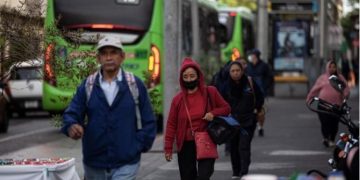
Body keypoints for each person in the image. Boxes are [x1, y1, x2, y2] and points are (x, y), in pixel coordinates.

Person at [61, 34, 157, 180]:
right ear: (98, 58)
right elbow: (72, 113)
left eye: (113, 53)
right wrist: (71, 126)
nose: (109, 57)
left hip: (126, 162)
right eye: (104, 53)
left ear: (122, 57)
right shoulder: (88, 85)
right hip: (94, 163)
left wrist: (137, 146)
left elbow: (149, 120)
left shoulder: (134, 85)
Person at [164, 57, 231, 180]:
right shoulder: (177, 100)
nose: (189, 79)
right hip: (185, 144)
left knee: (204, 176)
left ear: (198, 76)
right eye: (185, 77)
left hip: (206, 141)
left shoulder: (210, 92)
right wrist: (168, 148)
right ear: (181, 79)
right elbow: (171, 124)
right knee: (187, 177)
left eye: (192, 76)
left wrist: (213, 113)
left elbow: (226, 108)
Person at [222, 61, 264, 179]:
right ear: (229, 73)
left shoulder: (249, 82)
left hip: (248, 121)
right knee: (234, 147)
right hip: (232, 123)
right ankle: (236, 172)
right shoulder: (226, 86)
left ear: (242, 71)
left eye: (238, 70)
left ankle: (244, 172)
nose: (235, 73)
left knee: (244, 146)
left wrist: (256, 109)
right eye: (233, 71)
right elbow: (220, 103)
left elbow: (260, 97)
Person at [306, 60, 350, 147]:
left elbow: (346, 89)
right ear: (327, 67)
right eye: (330, 67)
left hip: (336, 106)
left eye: (334, 67)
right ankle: (326, 138)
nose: (332, 69)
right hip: (323, 105)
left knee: (334, 124)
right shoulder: (322, 78)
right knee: (325, 122)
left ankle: (332, 139)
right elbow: (315, 89)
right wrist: (309, 98)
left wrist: (345, 95)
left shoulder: (340, 78)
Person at [246, 48, 273, 137]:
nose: (252, 58)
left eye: (253, 56)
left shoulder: (264, 66)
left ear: (257, 56)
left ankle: (260, 127)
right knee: (250, 112)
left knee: (261, 112)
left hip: (261, 93)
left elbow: (270, 78)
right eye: (251, 56)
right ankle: (251, 127)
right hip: (250, 93)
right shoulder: (248, 67)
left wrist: (265, 87)